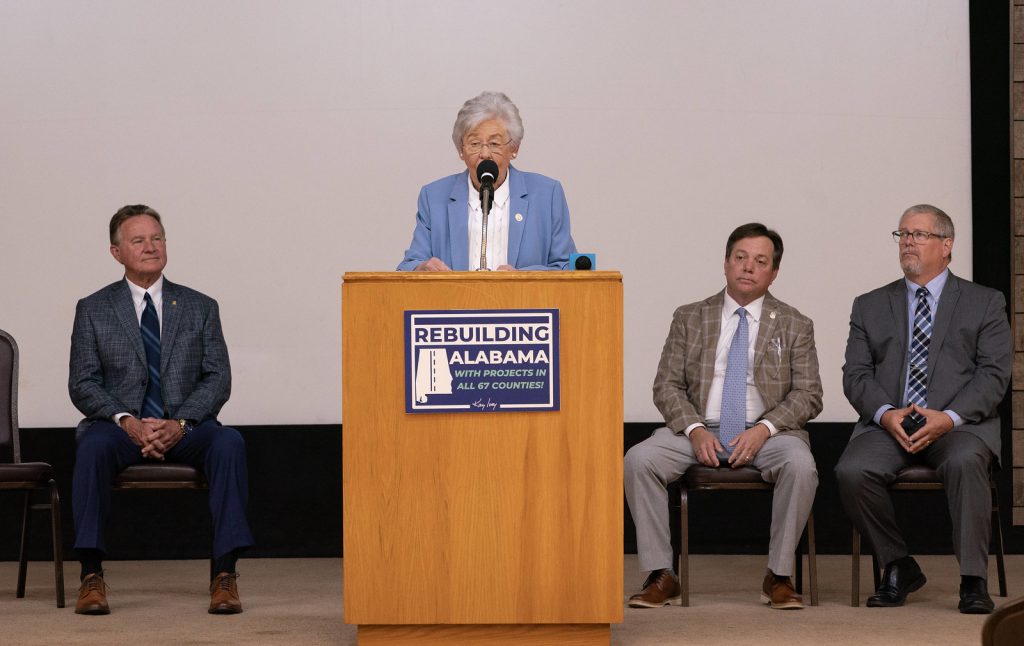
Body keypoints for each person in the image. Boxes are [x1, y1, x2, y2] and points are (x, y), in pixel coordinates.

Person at [624, 223, 822, 610]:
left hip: (769, 432)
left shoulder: (796, 323)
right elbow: (666, 386)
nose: (748, 267)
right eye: (740, 258)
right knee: (638, 459)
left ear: (774, 272)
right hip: (699, 427)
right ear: (726, 263)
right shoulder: (690, 316)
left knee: (801, 466)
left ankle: (778, 576)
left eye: (760, 261)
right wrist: (695, 430)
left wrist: (764, 429)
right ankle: (661, 575)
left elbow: (809, 395)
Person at [69, 205, 254, 615]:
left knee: (229, 443)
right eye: (138, 240)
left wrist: (181, 423)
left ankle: (225, 576)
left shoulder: (200, 306)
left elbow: (217, 378)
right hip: (120, 429)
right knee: (92, 447)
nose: (150, 247)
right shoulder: (93, 308)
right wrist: (128, 421)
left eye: (157, 238)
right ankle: (91, 575)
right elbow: (83, 382)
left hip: (185, 427)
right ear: (116, 252)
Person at [835, 204, 1011, 614]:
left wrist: (947, 418)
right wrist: (885, 413)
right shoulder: (870, 304)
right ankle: (898, 565)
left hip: (959, 426)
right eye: (903, 235)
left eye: (919, 234)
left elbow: (994, 374)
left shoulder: (984, 302)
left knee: (967, 461)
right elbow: (856, 374)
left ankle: (972, 580)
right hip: (890, 425)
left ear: (946, 245)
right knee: (851, 471)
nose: (908, 242)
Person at [396, 91, 577, 271]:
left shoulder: (547, 194)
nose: (484, 154)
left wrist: (522, 280)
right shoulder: (434, 197)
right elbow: (408, 266)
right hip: (455, 299)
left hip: (523, 300)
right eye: (474, 144)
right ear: (461, 150)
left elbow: (567, 267)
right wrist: (422, 268)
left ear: (514, 148)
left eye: (494, 144)